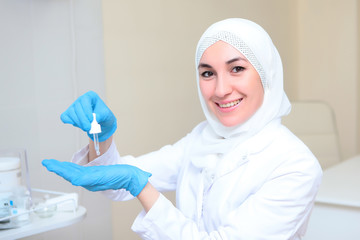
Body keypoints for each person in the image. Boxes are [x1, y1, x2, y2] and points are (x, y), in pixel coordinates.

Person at [43, 18, 322, 239]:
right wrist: (102, 139)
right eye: (208, 73)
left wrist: (143, 189)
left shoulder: (295, 166)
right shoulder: (202, 139)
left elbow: (134, 182)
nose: (221, 90)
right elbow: (117, 185)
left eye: (237, 69)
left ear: (266, 73)